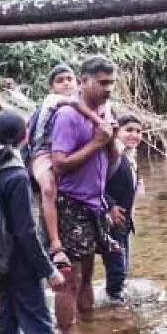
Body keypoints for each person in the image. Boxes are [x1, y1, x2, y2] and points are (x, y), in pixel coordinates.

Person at [0, 110, 66, 334]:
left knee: (7, 317)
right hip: (20, 260)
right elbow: (25, 232)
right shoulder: (18, 175)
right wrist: (48, 269)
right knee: (40, 323)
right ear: (27, 135)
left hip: (0, 257)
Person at [47, 55, 117, 334]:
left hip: (94, 204)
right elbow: (59, 164)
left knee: (88, 275)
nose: (108, 88)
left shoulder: (104, 112)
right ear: (84, 81)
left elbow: (109, 161)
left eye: (111, 83)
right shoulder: (68, 116)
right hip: (70, 204)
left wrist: (109, 144)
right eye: (102, 83)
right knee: (69, 280)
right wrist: (97, 143)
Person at [30, 64, 106, 270]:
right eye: (60, 80)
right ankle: (55, 244)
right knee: (48, 189)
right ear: (51, 87)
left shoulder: (77, 106)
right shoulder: (55, 101)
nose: (66, 83)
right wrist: (100, 123)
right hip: (43, 151)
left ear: (77, 82)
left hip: (59, 149)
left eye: (69, 79)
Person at [102, 114, 144, 303]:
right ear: (116, 131)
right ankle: (114, 305)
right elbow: (95, 184)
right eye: (129, 130)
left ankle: (117, 297)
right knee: (117, 265)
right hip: (111, 220)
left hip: (124, 222)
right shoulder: (112, 155)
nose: (134, 135)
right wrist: (110, 206)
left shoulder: (130, 156)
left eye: (138, 131)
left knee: (123, 265)